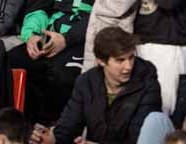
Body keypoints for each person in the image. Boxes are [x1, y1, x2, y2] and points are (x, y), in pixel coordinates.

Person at [30, 26, 161, 144]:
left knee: (157, 119)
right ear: (101, 61)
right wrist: (47, 139)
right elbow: (67, 129)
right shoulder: (86, 83)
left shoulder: (146, 81)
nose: (128, 66)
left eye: (131, 58)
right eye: (120, 60)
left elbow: (138, 138)